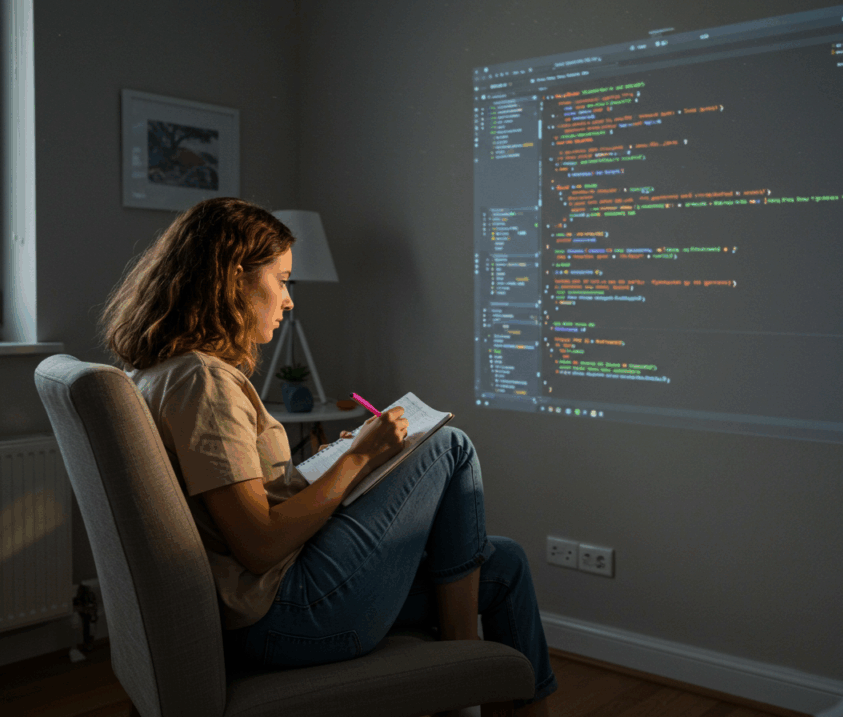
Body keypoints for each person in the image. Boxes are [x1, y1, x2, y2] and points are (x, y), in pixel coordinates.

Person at [98, 197, 557, 716]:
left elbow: (239, 507)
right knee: (450, 445)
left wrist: (323, 468)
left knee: (505, 562)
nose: (288, 301)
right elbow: (259, 544)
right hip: (286, 615)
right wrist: (356, 458)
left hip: (272, 602)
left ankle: (482, 682)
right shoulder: (203, 381)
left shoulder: (158, 374)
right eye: (282, 280)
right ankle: (462, 675)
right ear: (233, 279)